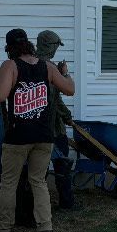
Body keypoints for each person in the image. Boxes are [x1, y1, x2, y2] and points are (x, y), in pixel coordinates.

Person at [0, 28, 76, 232]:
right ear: (28, 44)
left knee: (9, 182)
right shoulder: (47, 66)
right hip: (43, 136)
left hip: (18, 136)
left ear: (10, 47)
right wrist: (65, 73)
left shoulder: (10, 66)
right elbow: (69, 89)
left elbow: (0, 95)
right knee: (39, 181)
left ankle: (4, 231)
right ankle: (45, 229)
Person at [35, 29, 76, 210]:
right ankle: (66, 203)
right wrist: (65, 74)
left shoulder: (31, 64)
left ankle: (37, 205)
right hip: (52, 128)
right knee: (62, 165)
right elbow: (57, 99)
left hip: (36, 128)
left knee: (37, 170)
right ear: (50, 47)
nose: (56, 50)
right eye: (56, 46)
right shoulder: (48, 67)